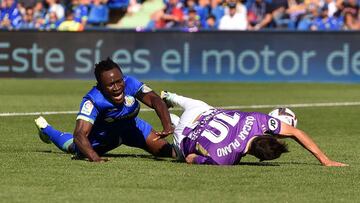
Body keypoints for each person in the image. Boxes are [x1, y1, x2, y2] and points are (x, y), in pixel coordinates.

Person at [35, 58, 174, 162]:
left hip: (132, 129)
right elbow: (79, 134)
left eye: (119, 81)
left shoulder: (130, 83)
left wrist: (167, 124)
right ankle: (46, 129)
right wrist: (95, 158)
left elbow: (156, 100)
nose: (117, 87)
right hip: (103, 138)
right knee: (74, 147)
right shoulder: (93, 100)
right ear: (100, 86)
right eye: (110, 85)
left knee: (169, 152)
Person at [160, 91, 348, 166]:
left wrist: (325, 160)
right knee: (180, 154)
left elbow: (296, 133)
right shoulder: (225, 159)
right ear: (258, 157)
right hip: (184, 134)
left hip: (201, 112)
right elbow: (192, 158)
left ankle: (170, 96)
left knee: (200, 105)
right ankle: (173, 121)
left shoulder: (258, 120)